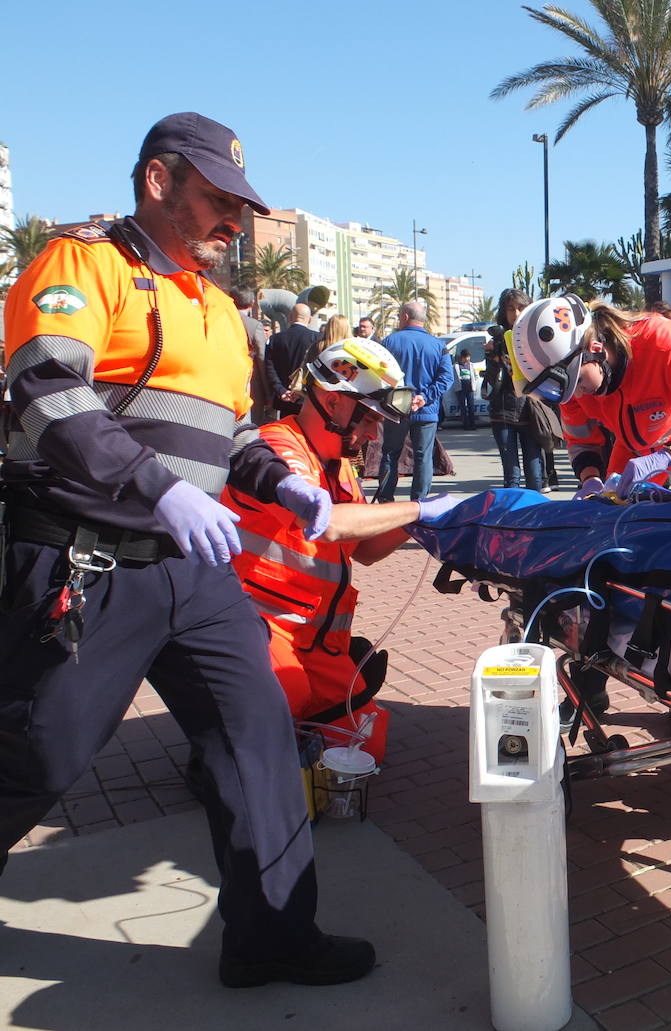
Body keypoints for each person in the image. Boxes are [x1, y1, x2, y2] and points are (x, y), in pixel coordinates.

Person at [0, 111, 374, 986]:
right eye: (216, 200)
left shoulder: (218, 310)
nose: (233, 225)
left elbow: (230, 430)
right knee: (40, 754)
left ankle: (274, 937)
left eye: (240, 207)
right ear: (158, 182)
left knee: (258, 737)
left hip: (193, 571)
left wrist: (278, 478)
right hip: (87, 561)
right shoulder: (83, 263)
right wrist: (156, 486)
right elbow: (45, 389)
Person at [222, 338, 457, 759]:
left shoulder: (340, 467)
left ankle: (276, 734)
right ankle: (223, 747)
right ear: (332, 402)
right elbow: (328, 524)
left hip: (318, 640)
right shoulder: (278, 448)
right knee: (284, 697)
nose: (372, 433)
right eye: (368, 417)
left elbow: (363, 550)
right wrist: (415, 506)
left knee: (367, 742)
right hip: (262, 626)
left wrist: (423, 522)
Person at [510, 294, 671, 499]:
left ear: (595, 349)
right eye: (567, 390)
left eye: (579, 381)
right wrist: (590, 481)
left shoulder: (662, 344)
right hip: (633, 447)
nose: (577, 395)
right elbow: (582, 442)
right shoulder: (568, 381)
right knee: (610, 511)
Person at [375, 300, 452, 502]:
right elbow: (446, 378)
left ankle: (385, 499)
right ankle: (419, 502)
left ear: (405, 317)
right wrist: (424, 397)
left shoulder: (389, 342)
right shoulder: (438, 345)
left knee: (390, 453)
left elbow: (378, 375)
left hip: (396, 409)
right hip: (426, 411)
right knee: (423, 457)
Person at [482, 288, 543, 490]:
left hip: (531, 411)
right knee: (511, 474)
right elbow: (493, 381)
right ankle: (514, 517)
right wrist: (493, 358)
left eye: (520, 308)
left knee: (534, 471)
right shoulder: (497, 341)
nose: (516, 314)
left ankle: (538, 514)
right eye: (510, 309)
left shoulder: (536, 338)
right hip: (503, 412)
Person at [265, 302, 321, 417]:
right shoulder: (318, 339)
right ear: (309, 319)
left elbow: (269, 368)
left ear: (290, 317)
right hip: (308, 401)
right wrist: (302, 392)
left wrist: (280, 390)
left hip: (285, 399)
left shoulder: (275, 339)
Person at [231, 284, 274, 425]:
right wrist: (267, 392)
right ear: (251, 303)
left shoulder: (218, 319)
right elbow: (262, 358)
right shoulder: (254, 325)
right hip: (249, 385)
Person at [454, 349, 478, 430]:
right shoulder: (457, 366)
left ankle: (473, 424)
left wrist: (474, 383)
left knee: (471, 406)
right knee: (463, 407)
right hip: (460, 389)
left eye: (468, 357)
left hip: (470, 388)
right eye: (466, 357)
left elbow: (475, 375)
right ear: (462, 357)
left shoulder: (471, 365)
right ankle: (466, 425)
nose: (467, 359)